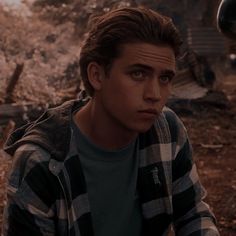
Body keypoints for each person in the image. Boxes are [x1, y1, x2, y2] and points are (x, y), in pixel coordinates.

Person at [2, 7, 219, 236]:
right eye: (138, 74)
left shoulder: (166, 129)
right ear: (96, 75)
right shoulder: (41, 162)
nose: (154, 94)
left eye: (164, 78)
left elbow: (193, 214)